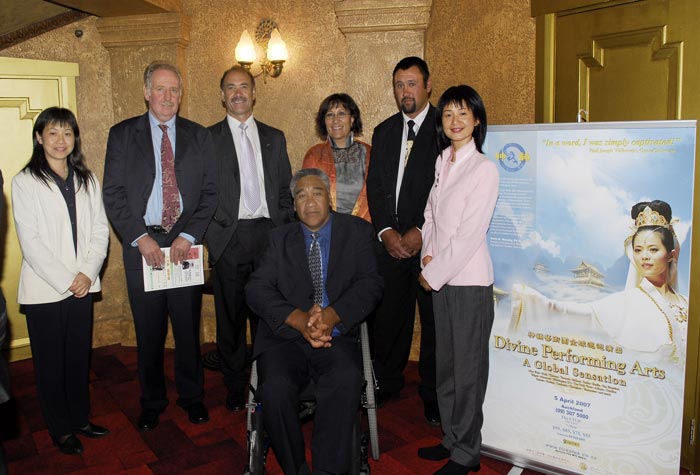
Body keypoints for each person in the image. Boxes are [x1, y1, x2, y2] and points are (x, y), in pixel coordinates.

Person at [103, 61, 217, 431]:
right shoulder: (122, 134)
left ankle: (192, 397)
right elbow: (113, 193)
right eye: (160, 89)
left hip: (185, 244)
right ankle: (151, 401)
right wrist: (141, 239)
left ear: (181, 95)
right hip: (143, 245)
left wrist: (189, 236)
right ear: (146, 92)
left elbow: (211, 192)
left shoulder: (199, 136)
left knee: (187, 328)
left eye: (174, 90)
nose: (167, 97)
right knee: (148, 331)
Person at [246, 168, 383, 475]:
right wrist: (299, 319)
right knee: (274, 391)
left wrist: (332, 315)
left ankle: (327, 470)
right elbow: (256, 289)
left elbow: (371, 284)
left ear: (329, 198)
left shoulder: (357, 232)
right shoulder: (277, 239)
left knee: (346, 378)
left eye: (316, 193)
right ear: (294, 205)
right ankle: (295, 469)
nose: (309, 202)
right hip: (285, 339)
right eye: (301, 195)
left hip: (335, 335)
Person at [11, 107, 110, 455]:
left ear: (74, 139)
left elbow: (100, 230)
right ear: (39, 137)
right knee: (50, 365)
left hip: (83, 285)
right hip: (46, 289)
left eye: (67, 133)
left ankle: (80, 418)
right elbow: (31, 242)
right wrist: (69, 279)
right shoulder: (24, 182)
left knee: (78, 359)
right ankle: (60, 428)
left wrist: (88, 273)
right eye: (52, 133)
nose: (60, 140)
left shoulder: (88, 179)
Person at [416, 86, 498, 475]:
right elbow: (431, 215)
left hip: (468, 282)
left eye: (464, 113)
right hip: (441, 277)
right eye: (448, 114)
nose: (455, 121)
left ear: (477, 120)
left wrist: (431, 274)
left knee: (467, 371)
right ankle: (451, 437)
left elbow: (469, 235)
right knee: (446, 366)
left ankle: (467, 452)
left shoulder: (484, 169)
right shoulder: (442, 161)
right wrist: (427, 254)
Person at [205, 66, 294, 412]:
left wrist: (282, 231)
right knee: (230, 317)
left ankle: (267, 381)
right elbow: (201, 193)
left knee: (267, 314)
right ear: (222, 95)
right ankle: (234, 383)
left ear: (254, 93)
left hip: (268, 236)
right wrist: (213, 236)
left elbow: (285, 191)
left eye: (244, 86)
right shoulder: (208, 138)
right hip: (229, 238)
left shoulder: (275, 137)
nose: (238, 93)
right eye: (231, 87)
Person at [510, 200, 687, 360]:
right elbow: (583, 315)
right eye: (638, 250)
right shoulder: (626, 302)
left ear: (671, 255)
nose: (644, 256)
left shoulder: (686, 303)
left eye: (653, 249)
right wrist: (531, 302)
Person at [366, 56, 440, 424]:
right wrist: (385, 231)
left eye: (412, 83)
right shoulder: (384, 131)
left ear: (428, 86)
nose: (405, 91)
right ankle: (387, 382)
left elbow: (446, 190)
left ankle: (434, 393)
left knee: (434, 324)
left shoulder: (446, 128)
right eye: (399, 85)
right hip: (391, 244)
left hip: (432, 245)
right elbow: (375, 186)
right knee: (389, 319)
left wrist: (422, 230)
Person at [302, 93, 371, 222]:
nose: (335, 120)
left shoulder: (369, 153)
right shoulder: (314, 155)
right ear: (324, 121)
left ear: (352, 119)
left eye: (341, 113)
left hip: (366, 228)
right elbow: (307, 198)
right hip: (326, 227)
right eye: (330, 115)